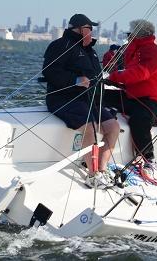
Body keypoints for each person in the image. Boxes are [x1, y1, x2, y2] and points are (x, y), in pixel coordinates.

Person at [43, 13, 120, 188]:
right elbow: (49, 72)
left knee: (113, 127)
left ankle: (102, 169)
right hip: (63, 99)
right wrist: (75, 80)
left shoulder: (90, 51)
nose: (92, 32)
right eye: (89, 29)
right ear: (79, 29)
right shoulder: (60, 45)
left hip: (88, 101)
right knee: (89, 128)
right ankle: (92, 175)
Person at [105, 19, 157, 174]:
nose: (128, 36)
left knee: (139, 120)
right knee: (101, 96)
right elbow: (122, 67)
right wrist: (111, 74)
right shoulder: (134, 50)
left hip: (155, 101)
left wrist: (115, 77)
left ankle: (149, 159)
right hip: (134, 96)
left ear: (137, 35)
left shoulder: (151, 51)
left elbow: (141, 73)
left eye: (130, 33)